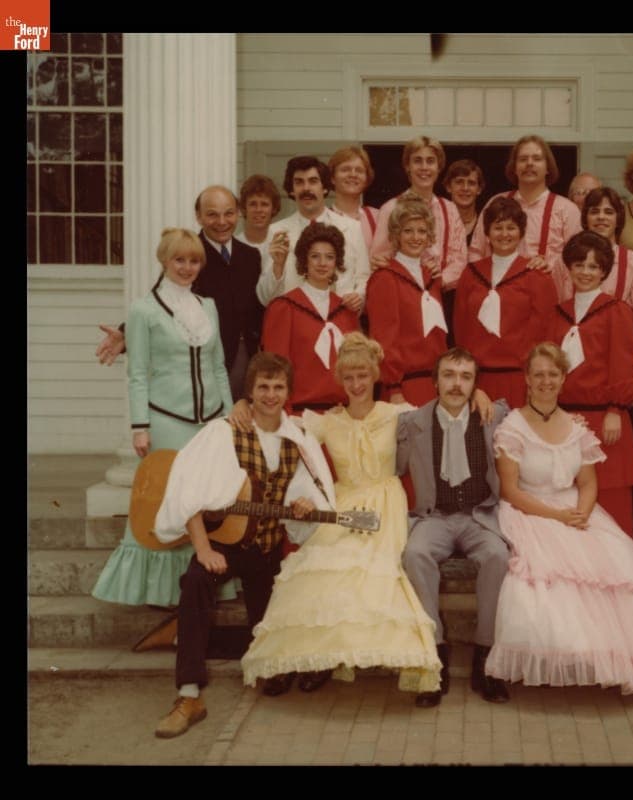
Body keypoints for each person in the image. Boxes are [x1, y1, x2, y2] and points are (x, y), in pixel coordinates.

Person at [485, 342, 633, 699]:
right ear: (527, 380)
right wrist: (557, 516)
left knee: (617, 560)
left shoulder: (576, 428)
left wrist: (582, 511)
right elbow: (511, 491)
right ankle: (563, 658)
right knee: (549, 575)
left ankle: (620, 659)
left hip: (576, 509)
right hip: (530, 511)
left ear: (563, 379)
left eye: (552, 374)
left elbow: (589, 482)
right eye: (538, 375)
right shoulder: (512, 427)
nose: (546, 381)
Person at [241, 334, 442, 698]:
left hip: (384, 500)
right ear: (340, 379)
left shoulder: (398, 414)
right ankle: (316, 659)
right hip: (343, 503)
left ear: (375, 374)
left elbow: (445, 413)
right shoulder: (327, 421)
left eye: (363, 375)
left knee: (371, 573)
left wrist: (479, 394)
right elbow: (279, 421)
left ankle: (380, 657)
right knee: (319, 571)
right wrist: (243, 405)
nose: (356, 384)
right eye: (348, 377)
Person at [152, 352, 336, 737]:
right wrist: (203, 550)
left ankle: (254, 656)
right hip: (225, 545)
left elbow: (310, 492)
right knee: (196, 582)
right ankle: (189, 694)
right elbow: (188, 491)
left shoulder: (299, 438)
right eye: (262, 387)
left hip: (267, 553)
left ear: (289, 391)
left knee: (268, 636)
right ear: (249, 392)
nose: (270, 395)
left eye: (278, 387)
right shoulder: (223, 431)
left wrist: (305, 505)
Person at [92, 228, 236, 610]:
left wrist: (226, 416)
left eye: (193, 261)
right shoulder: (143, 310)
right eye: (179, 260)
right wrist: (140, 426)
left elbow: (218, 366)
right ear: (164, 261)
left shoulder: (207, 306)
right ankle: (161, 595)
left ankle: (199, 590)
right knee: (167, 500)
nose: (187, 267)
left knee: (204, 500)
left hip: (209, 422)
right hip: (166, 418)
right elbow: (137, 373)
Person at [397, 347, 512, 707]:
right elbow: (391, 465)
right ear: (434, 381)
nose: (456, 384)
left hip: (479, 514)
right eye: (448, 375)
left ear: (476, 384)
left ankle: (485, 657)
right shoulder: (411, 422)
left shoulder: (496, 416)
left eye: (465, 377)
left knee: (497, 556)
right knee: (414, 554)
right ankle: (436, 655)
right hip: (435, 516)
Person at [94, 186, 266, 401]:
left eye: (229, 213)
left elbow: (259, 307)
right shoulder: (190, 252)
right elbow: (162, 300)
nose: (222, 222)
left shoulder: (250, 255)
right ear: (199, 216)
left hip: (248, 361)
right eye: (212, 214)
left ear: (238, 213)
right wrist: (125, 333)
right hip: (203, 361)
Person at [547, 231, 633, 536]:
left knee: (610, 497)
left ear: (604, 271)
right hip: (565, 418)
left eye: (593, 267)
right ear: (568, 268)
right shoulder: (558, 314)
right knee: (570, 496)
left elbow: (623, 363)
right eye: (579, 265)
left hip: (604, 418)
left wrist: (615, 408)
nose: (585, 273)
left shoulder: (616, 310)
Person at [452, 195, 557, 409]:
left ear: (521, 233)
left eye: (511, 227)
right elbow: (460, 329)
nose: (504, 234)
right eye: (498, 227)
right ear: (487, 233)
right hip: (477, 381)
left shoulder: (536, 275)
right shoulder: (471, 274)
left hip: (520, 380)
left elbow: (545, 334)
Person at [260, 223, 361, 413]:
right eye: (315, 256)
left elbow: (356, 371)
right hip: (300, 415)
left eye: (329, 257)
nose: (322, 263)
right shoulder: (284, 308)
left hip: (343, 416)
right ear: (304, 261)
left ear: (337, 262)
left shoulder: (346, 311)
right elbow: (275, 372)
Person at [470, 135, 582, 301]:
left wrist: (550, 265)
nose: (529, 163)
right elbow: (476, 251)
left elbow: (578, 262)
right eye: (523, 159)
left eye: (537, 158)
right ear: (514, 167)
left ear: (548, 167)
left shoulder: (567, 210)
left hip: (547, 303)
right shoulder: (496, 203)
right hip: (498, 301)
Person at [365, 192, 449, 406]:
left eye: (422, 231)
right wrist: (394, 387)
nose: (415, 237)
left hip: (437, 385)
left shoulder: (431, 277)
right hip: (404, 388)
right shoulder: (385, 278)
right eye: (408, 231)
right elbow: (384, 339)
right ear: (395, 236)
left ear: (429, 236)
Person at [267, 155, 369, 313]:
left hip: (341, 318)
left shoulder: (352, 228)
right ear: (291, 190)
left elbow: (364, 277)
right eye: (299, 182)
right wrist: (277, 267)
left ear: (325, 187)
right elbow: (267, 297)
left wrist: (358, 296)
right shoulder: (276, 232)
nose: (306, 188)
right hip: (297, 322)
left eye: (313, 181)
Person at [370, 137, 469, 293]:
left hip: (443, 293)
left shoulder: (450, 209)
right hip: (403, 293)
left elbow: (460, 257)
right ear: (407, 166)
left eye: (430, 161)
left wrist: (440, 279)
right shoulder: (391, 208)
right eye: (417, 161)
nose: (424, 167)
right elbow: (380, 259)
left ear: (439, 167)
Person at [581, 186, 633, 314]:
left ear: (618, 220)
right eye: (594, 211)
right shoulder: (566, 262)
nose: (601, 217)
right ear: (585, 218)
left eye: (608, 212)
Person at [235, 173, 283, 305]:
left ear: (274, 208)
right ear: (244, 208)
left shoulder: (281, 246)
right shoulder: (234, 246)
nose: (259, 210)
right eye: (253, 204)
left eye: (264, 204)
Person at [326, 145, 379, 254]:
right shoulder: (322, 221)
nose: (353, 175)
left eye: (359, 170)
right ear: (332, 178)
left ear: (366, 179)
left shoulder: (378, 218)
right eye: (345, 169)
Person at [444, 158, 485, 246]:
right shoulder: (439, 224)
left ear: (479, 189)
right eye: (459, 182)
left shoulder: (486, 225)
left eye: (471, 183)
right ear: (448, 187)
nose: (465, 188)